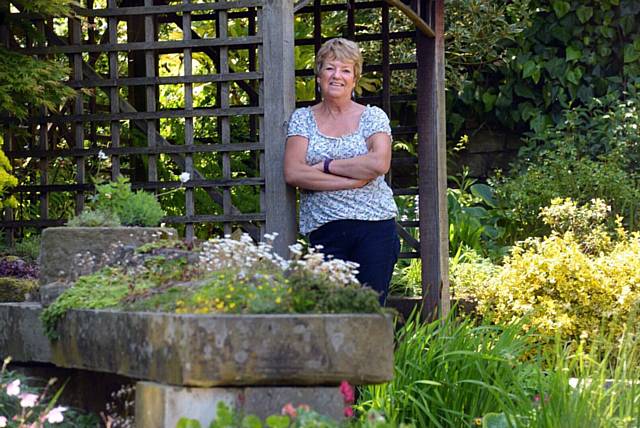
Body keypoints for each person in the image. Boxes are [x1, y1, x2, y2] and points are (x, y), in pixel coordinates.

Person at [284, 38, 399, 304]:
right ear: (319, 74)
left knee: (369, 313)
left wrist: (325, 166)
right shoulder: (303, 118)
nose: (337, 76)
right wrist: (351, 181)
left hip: (375, 228)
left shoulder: (373, 116)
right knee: (329, 312)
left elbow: (379, 163)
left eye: (346, 70)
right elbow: (294, 172)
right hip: (325, 230)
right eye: (330, 68)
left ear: (355, 79)